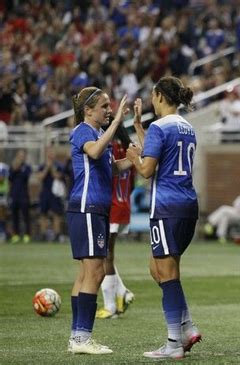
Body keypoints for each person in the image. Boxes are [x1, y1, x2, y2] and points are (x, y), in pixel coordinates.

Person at [126, 76, 201, 360]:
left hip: (166, 207)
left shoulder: (159, 127)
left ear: (158, 95)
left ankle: (173, 343)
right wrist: (137, 126)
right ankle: (187, 327)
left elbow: (147, 170)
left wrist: (133, 156)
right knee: (159, 270)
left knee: (166, 275)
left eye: (152, 97)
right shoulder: (187, 127)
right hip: (187, 205)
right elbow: (163, 156)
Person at [67, 87, 132, 355]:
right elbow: (94, 153)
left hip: (95, 209)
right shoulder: (84, 130)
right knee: (95, 272)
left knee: (86, 274)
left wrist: (134, 158)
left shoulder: (96, 134)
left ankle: (76, 336)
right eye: (105, 107)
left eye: (110, 107)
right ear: (88, 110)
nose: (109, 111)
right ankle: (82, 338)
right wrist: (117, 123)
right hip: (87, 207)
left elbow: (111, 167)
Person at [95, 124, 136, 319]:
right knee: (107, 254)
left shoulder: (107, 147)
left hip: (110, 205)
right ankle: (122, 293)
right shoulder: (128, 147)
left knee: (105, 256)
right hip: (124, 205)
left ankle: (110, 306)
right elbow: (133, 181)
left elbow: (104, 176)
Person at [203, 178, 240, 243]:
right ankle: (221, 237)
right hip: (236, 215)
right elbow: (234, 206)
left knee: (224, 208)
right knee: (224, 217)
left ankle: (210, 223)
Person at [37, 146, 66, 242]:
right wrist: (47, 168)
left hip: (55, 193)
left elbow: (58, 176)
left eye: (52, 153)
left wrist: (51, 167)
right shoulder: (42, 165)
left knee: (56, 214)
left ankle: (57, 234)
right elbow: (40, 177)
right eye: (49, 153)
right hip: (45, 192)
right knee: (43, 214)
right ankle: (42, 234)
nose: (50, 155)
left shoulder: (59, 165)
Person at [8, 149, 32, 243]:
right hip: (14, 194)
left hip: (24, 195)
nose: (21, 157)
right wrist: (15, 166)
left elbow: (26, 176)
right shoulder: (12, 166)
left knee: (26, 215)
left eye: (23, 156)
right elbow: (10, 177)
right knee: (14, 215)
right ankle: (15, 234)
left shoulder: (27, 167)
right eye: (20, 155)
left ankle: (27, 234)